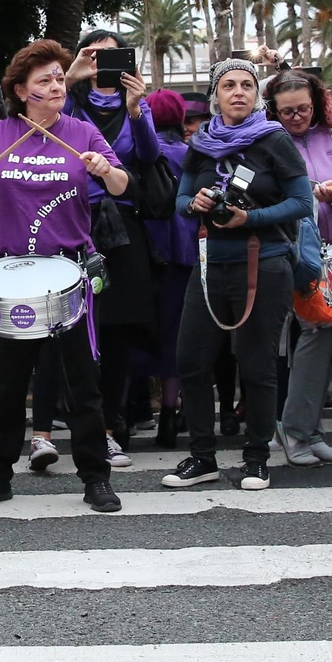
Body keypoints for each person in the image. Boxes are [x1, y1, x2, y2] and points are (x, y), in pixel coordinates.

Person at [0, 39, 127, 513]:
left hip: (70, 272)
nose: (56, 85)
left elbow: (124, 183)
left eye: (59, 77)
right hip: (9, 275)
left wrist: (106, 170)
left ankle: (95, 479)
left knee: (83, 384)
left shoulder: (82, 132)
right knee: (5, 386)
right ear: (23, 91)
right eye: (44, 79)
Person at [159, 60, 313, 493]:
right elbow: (181, 198)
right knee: (191, 358)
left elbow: (302, 201)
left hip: (264, 259)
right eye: (229, 85)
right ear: (216, 96)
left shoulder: (274, 140)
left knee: (256, 363)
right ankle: (202, 457)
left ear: (258, 95)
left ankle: (256, 458)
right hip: (209, 263)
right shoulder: (203, 143)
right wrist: (196, 206)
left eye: (247, 85)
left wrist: (250, 216)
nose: (239, 92)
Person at [63, 29, 159, 466]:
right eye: (96, 56)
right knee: (73, 325)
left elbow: (149, 155)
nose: (105, 63)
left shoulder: (136, 104)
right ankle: (73, 422)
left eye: (113, 56)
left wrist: (139, 109)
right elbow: (43, 129)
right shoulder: (72, 102)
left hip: (122, 228)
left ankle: (111, 426)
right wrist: (68, 78)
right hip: (70, 220)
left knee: (117, 328)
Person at [267, 70, 332, 470]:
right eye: (287, 111)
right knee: (316, 332)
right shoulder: (269, 142)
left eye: (303, 108)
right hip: (293, 250)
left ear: (317, 103)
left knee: (322, 335)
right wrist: (304, 193)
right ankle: (296, 430)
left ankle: (306, 429)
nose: (296, 117)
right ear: (273, 110)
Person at [134, 88, 195, 449]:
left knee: (134, 332)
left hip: (143, 250)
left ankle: (127, 414)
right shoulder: (191, 154)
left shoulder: (139, 153)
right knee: (174, 336)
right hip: (182, 253)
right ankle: (169, 417)